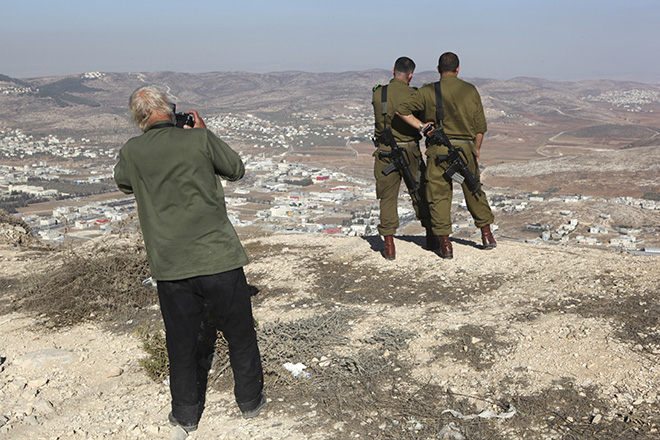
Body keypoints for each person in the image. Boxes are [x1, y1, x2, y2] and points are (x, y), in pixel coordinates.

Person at [113, 86, 265, 432]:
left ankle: (185, 413)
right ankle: (250, 401)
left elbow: (123, 182)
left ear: (140, 118)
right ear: (170, 110)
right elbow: (235, 168)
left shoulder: (133, 150)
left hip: (170, 264)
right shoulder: (198, 140)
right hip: (219, 257)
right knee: (240, 332)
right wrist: (204, 133)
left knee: (179, 341)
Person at [397, 52, 496, 259]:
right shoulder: (470, 91)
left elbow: (402, 110)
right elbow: (480, 128)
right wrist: (476, 150)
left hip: (439, 151)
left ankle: (445, 245)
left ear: (438, 69)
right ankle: (486, 235)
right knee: (473, 188)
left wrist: (422, 126)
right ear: (458, 69)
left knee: (439, 196)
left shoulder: (427, 91)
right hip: (465, 148)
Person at [372, 56, 434, 260]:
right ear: (411, 75)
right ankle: (431, 235)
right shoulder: (414, 95)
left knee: (387, 196)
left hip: (385, 152)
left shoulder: (379, 93)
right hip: (409, 150)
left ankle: (389, 244)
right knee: (419, 191)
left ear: (392, 70)